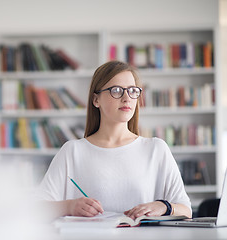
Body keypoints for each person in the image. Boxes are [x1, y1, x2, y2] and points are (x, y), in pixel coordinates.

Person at [36, 60, 192, 220]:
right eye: (116, 90)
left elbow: (186, 210)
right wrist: (68, 206)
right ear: (96, 100)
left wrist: (165, 207)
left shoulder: (156, 149)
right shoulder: (72, 151)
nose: (127, 98)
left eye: (133, 91)